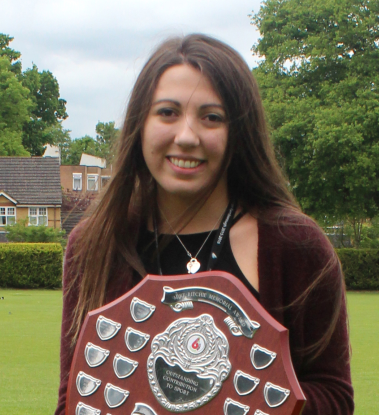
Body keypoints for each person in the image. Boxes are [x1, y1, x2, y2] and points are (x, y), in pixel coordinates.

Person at [55, 34, 353, 415]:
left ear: (238, 132)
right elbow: (74, 398)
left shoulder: (297, 245)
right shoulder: (94, 245)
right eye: (167, 112)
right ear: (139, 124)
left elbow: (335, 397)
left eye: (211, 117)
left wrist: (242, 398)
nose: (186, 136)